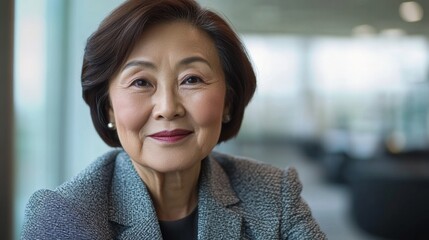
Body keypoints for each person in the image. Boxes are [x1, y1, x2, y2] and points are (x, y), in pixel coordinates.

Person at [21, 0, 326, 239]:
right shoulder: (65, 213)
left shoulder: (273, 194)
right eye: (140, 82)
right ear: (109, 108)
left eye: (191, 79)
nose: (168, 108)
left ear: (228, 103)